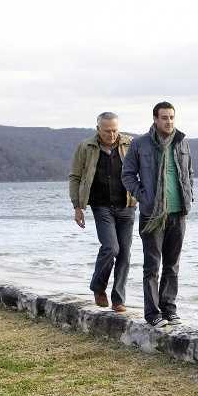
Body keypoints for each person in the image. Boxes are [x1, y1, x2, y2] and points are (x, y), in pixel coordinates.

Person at [121, 101, 194, 328]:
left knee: (172, 265)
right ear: (155, 119)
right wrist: (144, 196)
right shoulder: (140, 144)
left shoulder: (182, 142)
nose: (169, 121)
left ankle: (169, 309)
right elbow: (127, 174)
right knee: (152, 266)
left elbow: (189, 172)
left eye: (171, 117)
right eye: (164, 117)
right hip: (152, 214)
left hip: (178, 213)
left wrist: (189, 194)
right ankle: (152, 313)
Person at [68, 112, 136, 313]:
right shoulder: (85, 147)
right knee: (111, 248)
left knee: (124, 254)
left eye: (115, 130)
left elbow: (142, 171)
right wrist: (77, 206)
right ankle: (98, 287)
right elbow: (75, 177)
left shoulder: (130, 144)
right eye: (107, 131)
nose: (111, 134)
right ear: (98, 129)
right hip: (101, 206)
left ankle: (118, 300)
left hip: (127, 205)